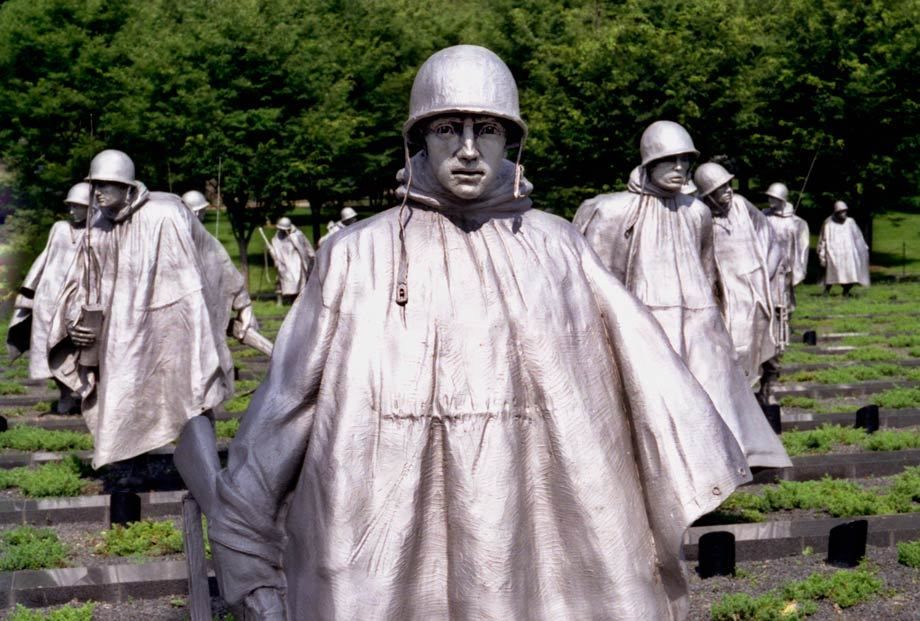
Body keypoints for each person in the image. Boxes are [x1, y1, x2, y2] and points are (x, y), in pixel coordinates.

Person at [208, 45, 751, 621]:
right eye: (447, 128)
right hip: (384, 533)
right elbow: (286, 405)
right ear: (419, 139)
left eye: (486, 130)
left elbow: (643, 383)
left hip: (535, 533)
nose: (468, 150)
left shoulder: (557, 245)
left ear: (509, 141)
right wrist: (245, 550)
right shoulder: (356, 253)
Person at [573, 121, 791, 470]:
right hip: (645, 323)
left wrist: (715, 322)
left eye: (684, 162)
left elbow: (707, 271)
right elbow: (590, 278)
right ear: (649, 162)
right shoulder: (612, 210)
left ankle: (722, 467)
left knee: (713, 400)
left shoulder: (697, 213)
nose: (678, 169)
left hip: (698, 321)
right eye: (669, 160)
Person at [51, 150, 237, 469]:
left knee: (193, 390)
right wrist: (75, 322)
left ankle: (209, 474)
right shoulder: (96, 226)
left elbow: (209, 255)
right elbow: (81, 281)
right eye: (95, 184)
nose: (97, 192)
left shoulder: (165, 214)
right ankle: (128, 470)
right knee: (122, 396)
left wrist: (238, 302)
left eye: (107, 185)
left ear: (128, 187)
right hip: (118, 332)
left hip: (174, 324)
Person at [7, 183, 92, 414]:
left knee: (79, 350)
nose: (72, 211)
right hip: (49, 299)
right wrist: (28, 290)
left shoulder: (98, 231)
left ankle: (84, 394)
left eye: (78, 206)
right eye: (71, 206)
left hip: (78, 300)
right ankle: (64, 395)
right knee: (51, 349)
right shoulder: (59, 228)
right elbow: (44, 258)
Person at [694, 162, 780, 383]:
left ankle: (766, 388)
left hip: (756, 285)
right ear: (709, 194)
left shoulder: (742, 205)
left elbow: (767, 233)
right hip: (728, 290)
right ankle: (741, 390)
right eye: (721, 188)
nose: (729, 190)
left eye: (728, 185)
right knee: (736, 340)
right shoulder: (700, 216)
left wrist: (766, 271)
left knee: (764, 338)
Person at [760, 182, 810, 403]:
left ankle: (779, 344)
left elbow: (802, 250)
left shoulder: (796, 223)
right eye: (769, 197)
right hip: (764, 275)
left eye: (774, 198)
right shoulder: (762, 217)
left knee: (782, 313)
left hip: (783, 276)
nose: (770, 201)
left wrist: (796, 274)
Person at [818, 200, 870, 296]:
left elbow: (858, 236)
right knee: (832, 273)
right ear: (836, 212)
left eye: (845, 211)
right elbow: (823, 240)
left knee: (852, 274)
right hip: (833, 254)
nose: (844, 214)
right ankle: (826, 291)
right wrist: (822, 255)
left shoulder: (850, 222)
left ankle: (846, 291)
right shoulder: (828, 223)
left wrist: (863, 247)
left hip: (849, 254)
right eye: (841, 212)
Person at [267, 216, 314, 303]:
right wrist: (271, 250)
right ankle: (293, 299)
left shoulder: (297, 235)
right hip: (285, 263)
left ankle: (300, 299)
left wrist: (312, 256)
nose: (281, 231)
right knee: (289, 279)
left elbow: (306, 247)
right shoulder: (277, 237)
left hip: (296, 262)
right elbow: (276, 248)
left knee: (298, 280)